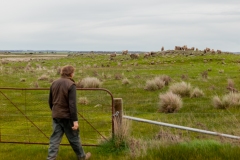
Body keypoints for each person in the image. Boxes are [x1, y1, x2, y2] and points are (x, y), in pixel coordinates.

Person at [47, 65, 91, 160]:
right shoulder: (71, 84)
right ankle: (82, 157)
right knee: (74, 138)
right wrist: (75, 120)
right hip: (67, 117)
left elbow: (50, 101)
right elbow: (72, 104)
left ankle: (50, 158)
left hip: (56, 115)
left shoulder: (54, 83)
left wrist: (55, 111)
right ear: (71, 74)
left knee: (54, 139)